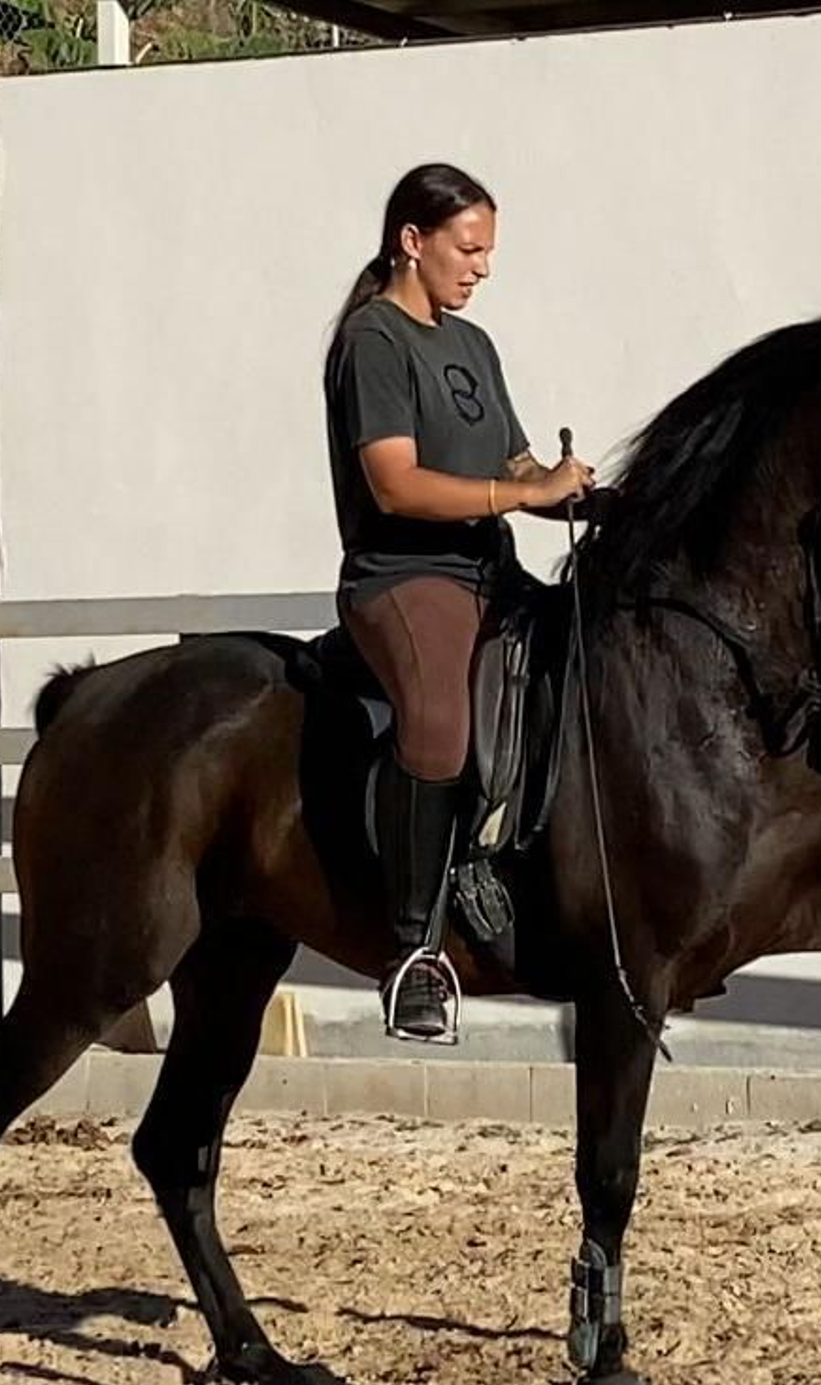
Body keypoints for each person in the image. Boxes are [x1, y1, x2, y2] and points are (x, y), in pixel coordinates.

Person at [323, 163, 593, 1043]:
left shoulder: (472, 346)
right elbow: (395, 485)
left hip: (488, 570)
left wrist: (566, 491)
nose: (482, 269)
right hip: (404, 578)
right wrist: (516, 497)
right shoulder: (376, 340)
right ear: (413, 240)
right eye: (468, 249)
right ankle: (412, 954)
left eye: (488, 252)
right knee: (439, 722)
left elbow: (514, 462)